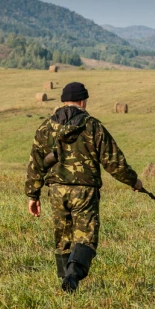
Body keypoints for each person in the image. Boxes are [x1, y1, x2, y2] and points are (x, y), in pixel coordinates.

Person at [25, 82, 143, 293]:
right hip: (85, 192)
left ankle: (65, 283)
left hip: (56, 191)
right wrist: (133, 181)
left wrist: (33, 195)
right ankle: (72, 277)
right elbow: (114, 161)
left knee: (63, 238)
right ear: (82, 101)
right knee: (86, 238)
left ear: (63, 101)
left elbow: (35, 164)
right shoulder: (92, 126)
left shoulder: (45, 128)